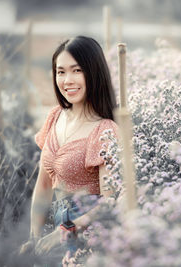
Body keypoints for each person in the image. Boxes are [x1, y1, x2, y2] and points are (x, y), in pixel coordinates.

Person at [19, 36, 118, 262]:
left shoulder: (105, 130)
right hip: (57, 230)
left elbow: (110, 203)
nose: (67, 80)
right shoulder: (55, 116)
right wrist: (34, 237)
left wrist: (67, 231)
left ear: (93, 72)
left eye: (76, 70)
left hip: (88, 235)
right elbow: (44, 183)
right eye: (60, 72)